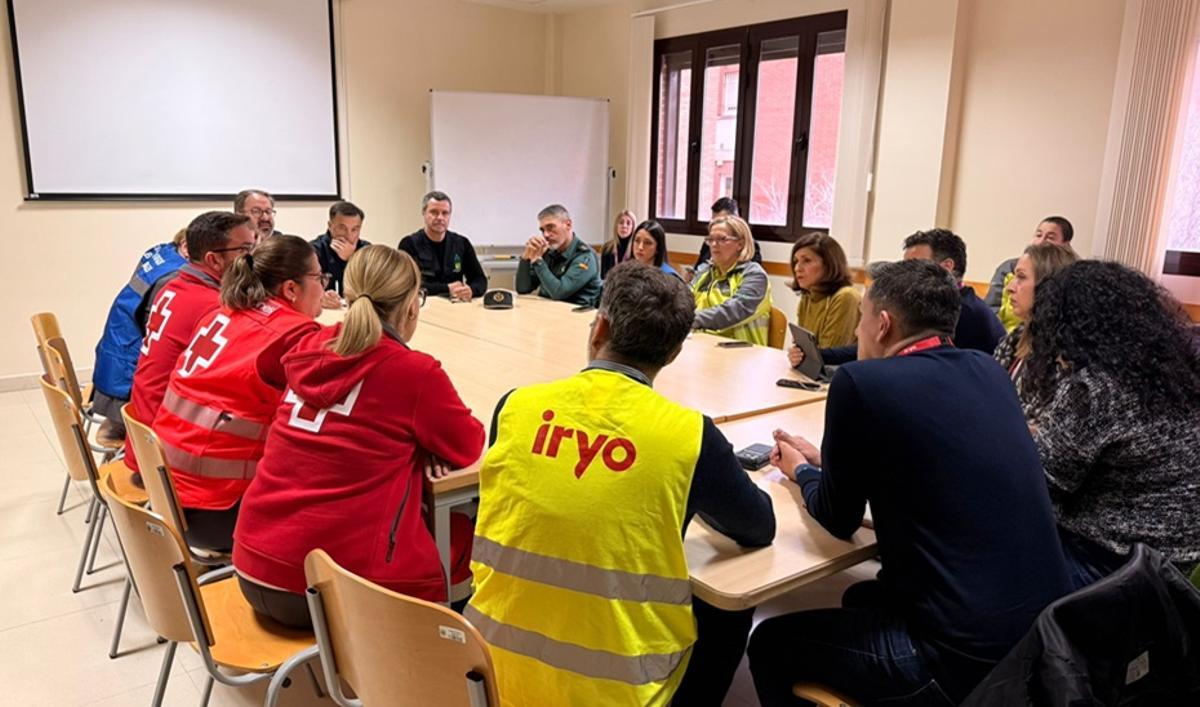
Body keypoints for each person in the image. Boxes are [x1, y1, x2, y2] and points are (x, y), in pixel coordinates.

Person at [748, 259, 1072, 706]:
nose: (858, 333)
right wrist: (831, 461)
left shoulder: (863, 383)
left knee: (768, 642)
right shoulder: (988, 371)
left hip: (960, 661)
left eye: (862, 320)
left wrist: (800, 471)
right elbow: (928, 462)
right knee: (862, 595)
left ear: (883, 324)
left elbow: (837, 517)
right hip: (1042, 640)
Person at [467, 262, 775, 706]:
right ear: (673, 352)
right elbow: (758, 527)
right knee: (732, 603)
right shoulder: (688, 435)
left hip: (493, 672)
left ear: (600, 328)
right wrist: (691, 486)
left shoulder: (514, 408)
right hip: (621, 693)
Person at [233, 245, 485, 627]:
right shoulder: (414, 373)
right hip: (334, 590)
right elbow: (469, 444)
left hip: (252, 562)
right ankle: (439, 655)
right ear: (412, 306)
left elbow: (268, 367)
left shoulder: (308, 344)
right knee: (469, 529)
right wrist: (421, 446)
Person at [1019, 261, 1200, 589]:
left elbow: (1039, 482)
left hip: (1105, 569)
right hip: (1173, 571)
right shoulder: (1178, 371)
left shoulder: (1095, 390)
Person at [152, 235, 323, 551]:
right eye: (318, 277)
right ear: (290, 289)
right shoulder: (294, 333)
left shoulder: (224, 311)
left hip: (167, 494)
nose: (323, 287)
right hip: (217, 509)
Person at [125, 212, 256, 476]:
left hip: (142, 435)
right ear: (214, 260)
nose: (253, 258)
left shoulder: (174, 287)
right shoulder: (212, 307)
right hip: (164, 454)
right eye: (245, 250)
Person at [804, 229, 1005, 371]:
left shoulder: (963, 312)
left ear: (946, 267)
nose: (906, 274)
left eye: (914, 265)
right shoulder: (950, 303)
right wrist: (822, 356)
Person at [91, 228, 187, 443]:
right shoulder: (175, 277)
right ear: (187, 247)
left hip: (112, 368)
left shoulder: (160, 253)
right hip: (126, 391)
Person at [992, 242, 1078, 386]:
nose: (1009, 288)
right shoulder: (1019, 335)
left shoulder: (1065, 358)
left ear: (1047, 285)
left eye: (1021, 277)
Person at [692, 215, 772, 344]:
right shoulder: (704, 271)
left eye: (722, 239)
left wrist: (688, 320)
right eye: (710, 239)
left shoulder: (754, 276)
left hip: (743, 354)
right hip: (702, 344)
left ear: (740, 244)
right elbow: (683, 299)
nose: (713, 244)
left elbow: (734, 310)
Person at [785, 232, 859, 372]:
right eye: (796, 261)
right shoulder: (807, 295)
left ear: (829, 264)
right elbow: (805, 349)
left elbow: (830, 355)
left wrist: (805, 356)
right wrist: (796, 355)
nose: (797, 268)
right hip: (813, 374)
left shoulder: (846, 297)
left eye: (806, 261)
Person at [985, 216, 1074, 331]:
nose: (1041, 241)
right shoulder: (1009, 267)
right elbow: (990, 309)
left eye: (1050, 237)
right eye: (1038, 235)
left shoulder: (1070, 277)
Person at [398, 191, 487, 302]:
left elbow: (480, 279)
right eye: (434, 212)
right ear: (424, 213)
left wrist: (471, 290)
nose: (440, 217)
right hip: (423, 305)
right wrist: (447, 288)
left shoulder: (462, 243)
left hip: (455, 305)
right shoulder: (409, 244)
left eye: (445, 213)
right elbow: (406, 285)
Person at [515, 204, 602, 306]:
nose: (546, 235)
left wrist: (538, 261)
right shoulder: (549, 252)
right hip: (549, 312)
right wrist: (525, 258)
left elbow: (559, 292)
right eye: (542, 230)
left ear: (568, 225)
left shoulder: (585, 256)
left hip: (576, 317)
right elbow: (523, 289)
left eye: (550, 227)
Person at [311, 200, 370, 309]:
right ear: (330, 226)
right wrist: (319, 297)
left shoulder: (367, 250)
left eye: (354, 229)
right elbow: (305, 288)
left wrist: (351, 259)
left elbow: (374, 286)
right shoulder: (313, 251)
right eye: (342, 228)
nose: (348, 235)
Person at [691, 197, 763, 276]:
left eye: (722, 239)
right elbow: (698, 267)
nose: (714, 244)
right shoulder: (710, 241)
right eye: (714, 221)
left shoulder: (754, 272)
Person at [600, 209, 637, 277]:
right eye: (621, 222)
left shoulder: (636, 249)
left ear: (633, 228)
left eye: (628, 223)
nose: (624, 226)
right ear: (616, 226)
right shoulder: (607, 248)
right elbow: (603, 276)